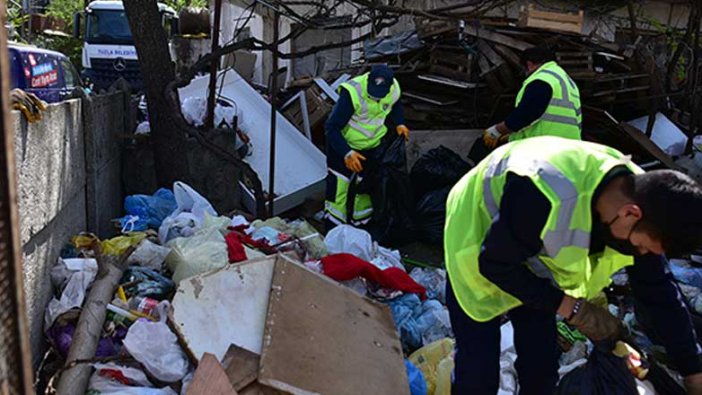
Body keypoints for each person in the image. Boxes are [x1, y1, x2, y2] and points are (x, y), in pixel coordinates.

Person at [445, 136, 702, 394]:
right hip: (479, 232)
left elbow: (659, 291)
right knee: (478, 368)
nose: (642, 254)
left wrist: (693, 370)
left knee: (541, 363)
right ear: (629, 214)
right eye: (643, 247)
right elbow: (495, 264)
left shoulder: (649, 200)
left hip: (532, 247)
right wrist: (575, 309)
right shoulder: (545, 194)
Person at [323, 65, 409, 229]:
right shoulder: (353, 92)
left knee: (365, 189)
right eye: (373, 92)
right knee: (338, 190)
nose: (375, 98)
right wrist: (346, 153)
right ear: (368, 79)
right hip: (343, 147)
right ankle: (334, 231)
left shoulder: (394, 89)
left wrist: (400, 123)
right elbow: (332, 128)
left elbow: (396, 105)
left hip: (372, 147)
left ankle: (361, 229)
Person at [470, 46, 581, 163]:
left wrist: (497, 131)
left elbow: (526, 114)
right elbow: (551, 116)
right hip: (568, 152)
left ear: (529, 64)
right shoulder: (566, 82)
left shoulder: (542, 79)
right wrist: (511, 134)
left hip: (543, 152)